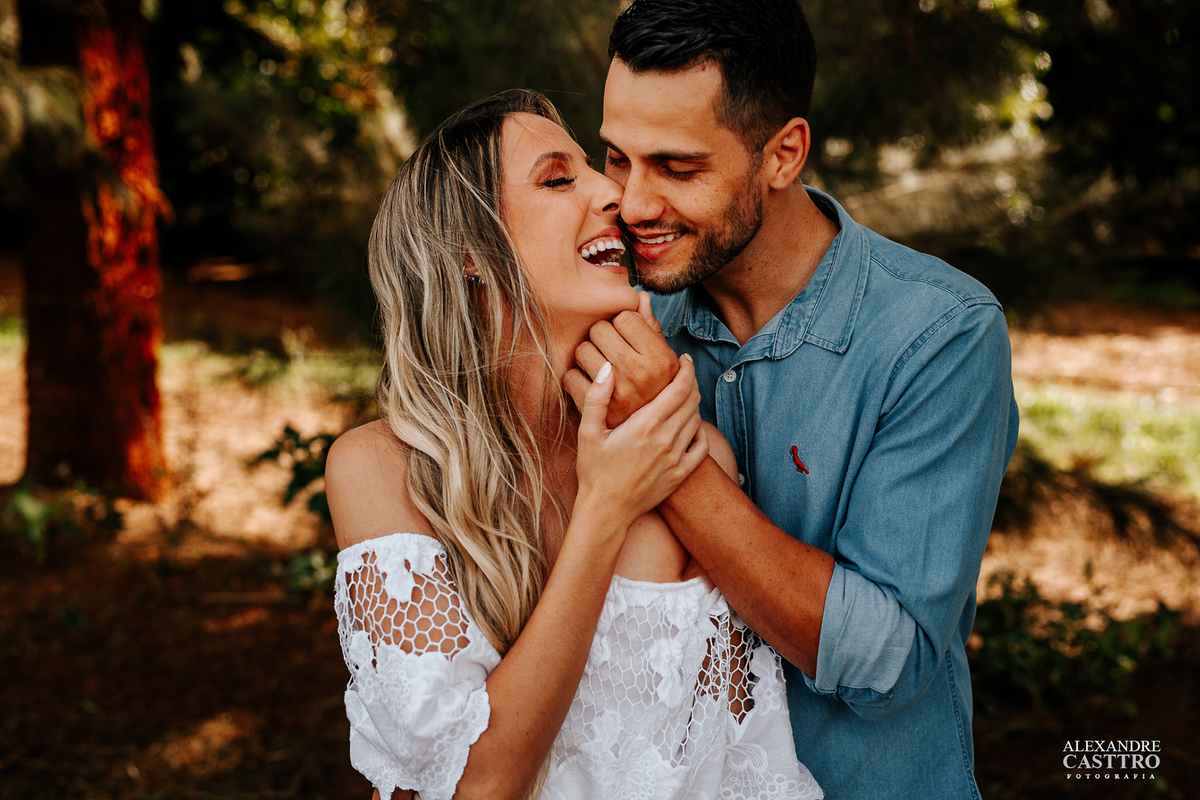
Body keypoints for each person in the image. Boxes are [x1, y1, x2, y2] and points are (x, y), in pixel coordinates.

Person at [563, 1, 1020, 798]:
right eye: (617, 158)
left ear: (783, 154)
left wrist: (662, 440)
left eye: (677, 167)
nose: (631, 205)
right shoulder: (624, 318)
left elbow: (889, 658)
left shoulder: (941, 333)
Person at [324, 90, 823, 800]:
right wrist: (606, 507)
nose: (614, 193)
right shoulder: (382, 469)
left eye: (595, 170)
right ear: (471, 253)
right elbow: (473, 789)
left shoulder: (689, 456)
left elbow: (722, 768)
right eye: (560, 178)